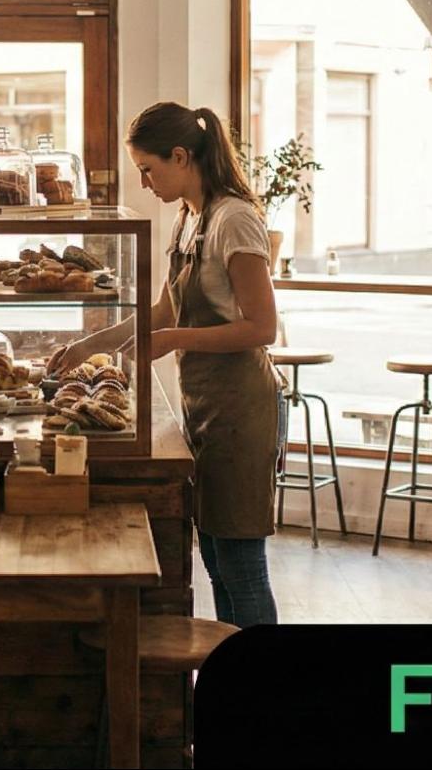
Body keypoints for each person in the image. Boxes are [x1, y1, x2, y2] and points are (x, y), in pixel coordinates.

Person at [49, 103, 283, 627]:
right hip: (206, 407)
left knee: (242, 568)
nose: (144, 181)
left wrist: (174, 338)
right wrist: (91, 345)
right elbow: (160, 312)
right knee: (217, 563)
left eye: (148, 169)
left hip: (241, 411)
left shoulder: (235, 219)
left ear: (180, 156)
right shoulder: (189, 217)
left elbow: (262, 328)